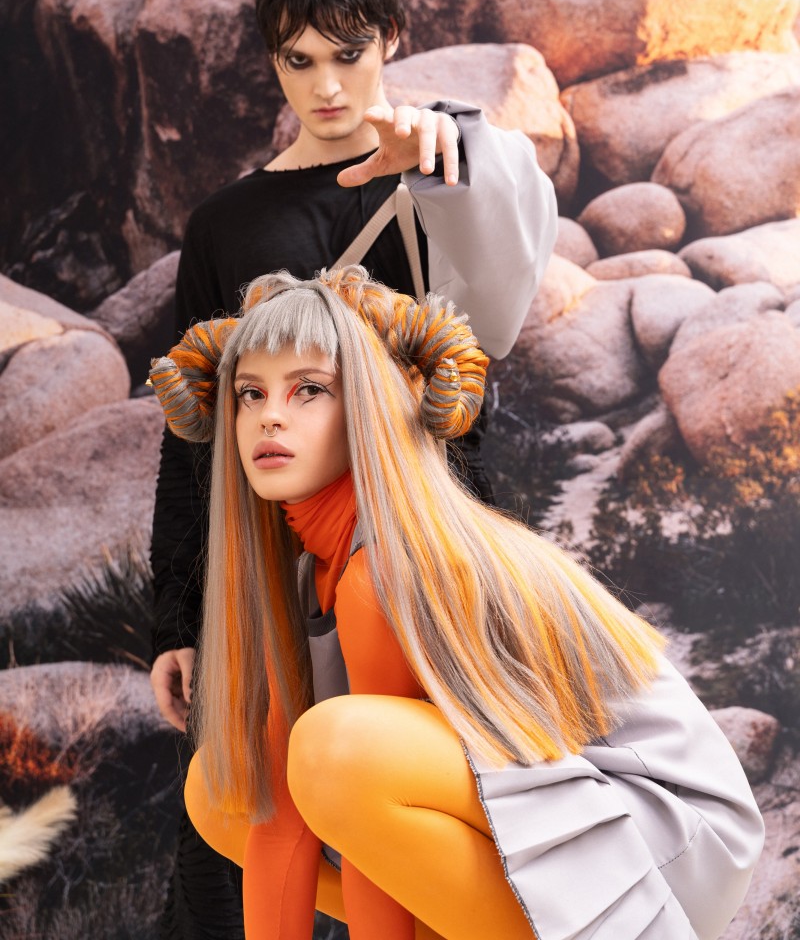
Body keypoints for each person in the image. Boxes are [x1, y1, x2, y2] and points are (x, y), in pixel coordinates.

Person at [148, 266, 763, 940]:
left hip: (662, 836)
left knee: (336, 750)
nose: (270, 415)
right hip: (542, 803)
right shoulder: (299, 576)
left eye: (310, 390)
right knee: (226, 789)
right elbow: (280, 824)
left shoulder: (386, 566)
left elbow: (359, 799)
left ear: (369, 404)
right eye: (251, 393)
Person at [148, 0, 558, 935]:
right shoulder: (225, 226)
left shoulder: (442, 172)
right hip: (271, 560)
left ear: (392, 39)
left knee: (408, 811)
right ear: (270, 60)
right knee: (250, 812)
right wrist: (178, 621)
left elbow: (500, 308)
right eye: (298, 60)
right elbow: (193, 434)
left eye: (348, 53)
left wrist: (447, 156)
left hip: (420, 542)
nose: (326, 87)